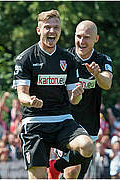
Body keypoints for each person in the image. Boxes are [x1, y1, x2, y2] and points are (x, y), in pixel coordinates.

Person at [12, 9, 93, 179]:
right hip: (35, 123)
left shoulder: (68, 58)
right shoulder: (25, 58)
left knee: (87, 147)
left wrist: (77, 94)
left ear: (60, 31)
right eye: (47, 27)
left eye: (56, 27)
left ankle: (58, 166)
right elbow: (22, 95)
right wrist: (30, 101)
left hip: (62, 120)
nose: (52, 31)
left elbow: (74, 100)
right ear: (38, 30)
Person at [47, 20, 113, 179]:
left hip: (89, 126)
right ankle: (55, 168)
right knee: (72, 170)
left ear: (96, 39)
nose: (81, 41)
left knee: (77, 175)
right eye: (79, 36)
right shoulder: (63, 58)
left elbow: (107, 83)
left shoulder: (103, 60)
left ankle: (55, 170)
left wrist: (97, 74)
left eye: (87, 37)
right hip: (65, 123)